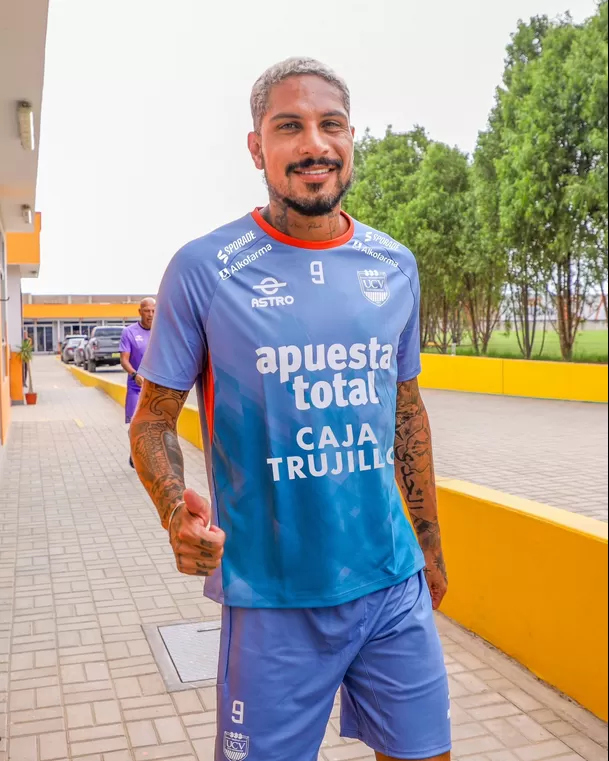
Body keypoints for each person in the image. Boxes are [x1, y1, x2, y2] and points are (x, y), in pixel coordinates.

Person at [131, 58, 450, 761]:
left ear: (350, 138)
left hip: (392, 587)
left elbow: (406, 410)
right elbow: (151, 419)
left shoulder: (394, 264)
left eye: (329, 124)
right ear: (256, 148)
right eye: (289, 126)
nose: (314, 143)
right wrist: (171, 512)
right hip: (272, 599)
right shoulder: (205, 267)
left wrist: (427, 543)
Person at [119, 297, 155, 467]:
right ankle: (135, 453)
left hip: (156, 388)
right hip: (136, 388)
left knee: (153, 425)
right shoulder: (129, 332)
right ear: (140, 312)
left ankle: (146, 456)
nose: (150, 314)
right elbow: (124, 360)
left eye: (153, 311)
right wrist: (134, 375)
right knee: (135, 425)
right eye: (147, 311)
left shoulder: (161, 332)